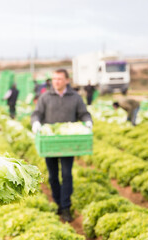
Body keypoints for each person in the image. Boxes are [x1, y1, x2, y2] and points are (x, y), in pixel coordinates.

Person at [31, 68, 92, 222]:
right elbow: (37, 113)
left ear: (67, 80)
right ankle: (58, 203)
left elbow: (83, 113)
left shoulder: (75, 97)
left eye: (59, 79)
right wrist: (36, 123)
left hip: (67, 143)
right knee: (52, 176)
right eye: (54, 79)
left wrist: (88, 121)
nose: (56, 81)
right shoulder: (45, 97)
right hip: (50, 143)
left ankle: (66, 207)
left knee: (66, 174)